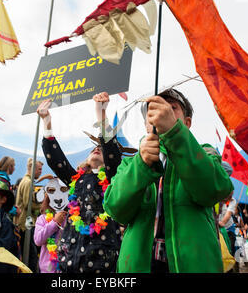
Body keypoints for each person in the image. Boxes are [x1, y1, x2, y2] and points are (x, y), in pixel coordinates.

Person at [103, 88, 234, 273]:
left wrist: (174, 134)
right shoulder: (130, 163)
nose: (160, 113)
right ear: (146, 124)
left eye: (172, 108)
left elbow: (214, 189)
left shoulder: (205, 153)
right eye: (153, 110)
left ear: (186, 123)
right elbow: (116, 209)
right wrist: (141, 165)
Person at [37, 92, 123, 273]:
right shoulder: (75, 179)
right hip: (71, 256)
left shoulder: (112, 176)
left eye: (101, 148)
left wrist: (101, 115)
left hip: (102, 259)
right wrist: (47, 123)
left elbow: (112, 152)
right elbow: (56, 160)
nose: (97, 148)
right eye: (94, 148)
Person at [15, 158, 51, 273]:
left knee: (30, 253)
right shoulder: (28, 182)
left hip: (27, 222)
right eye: (39, 169)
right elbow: (27, 204)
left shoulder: (27, 181)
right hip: (26, 223)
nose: (41, 172)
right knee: (30, 256)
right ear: (33, 169)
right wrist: (42, 207)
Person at [34, 179, 68, 273]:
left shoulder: (72, 218)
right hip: (48, 270)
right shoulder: (43, 218)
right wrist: (54, 222)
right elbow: (38, 240)